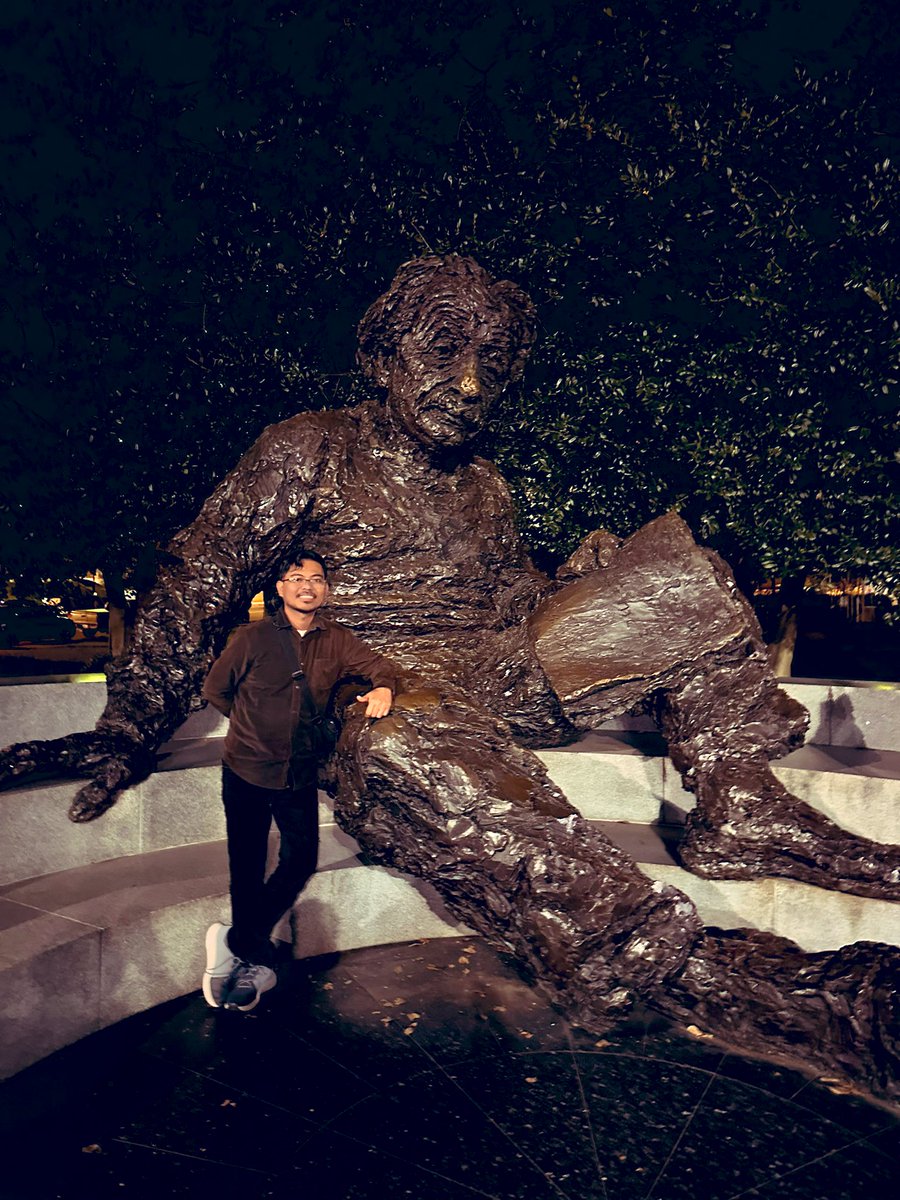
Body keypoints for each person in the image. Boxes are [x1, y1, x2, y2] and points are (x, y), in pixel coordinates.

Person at [199, 550, 397, 1012]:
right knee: (245, 868)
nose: (307, 586)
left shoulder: (338, 640)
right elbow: (215, 689)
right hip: (246, 770)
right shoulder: (254, 637)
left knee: (301, 859)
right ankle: (252, 956)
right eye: (296, 578)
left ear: (325, 589)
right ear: (281, 588)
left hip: (298, 773)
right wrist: (248, 726)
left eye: (316, 579)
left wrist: (384, 686)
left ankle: (237, 942)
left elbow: (380, 667)